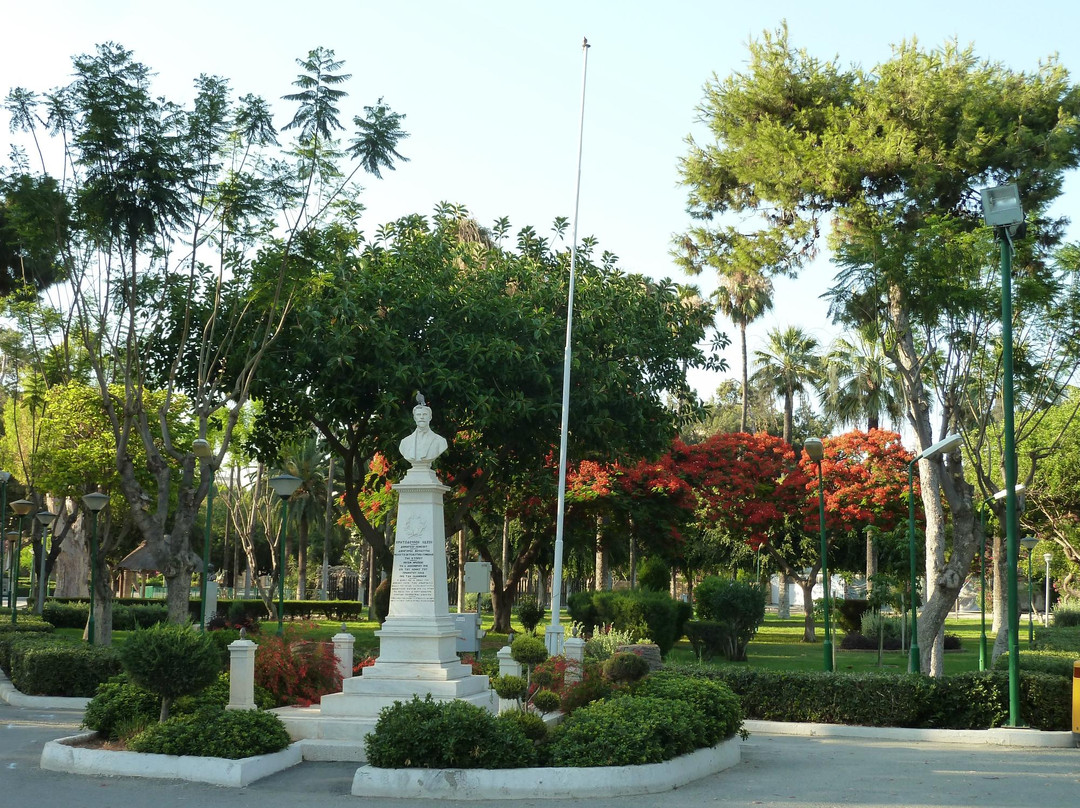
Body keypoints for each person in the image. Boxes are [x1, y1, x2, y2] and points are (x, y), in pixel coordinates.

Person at [398, 397, 448, 465]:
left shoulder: (440, 441)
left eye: (424, 414)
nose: (421, 417)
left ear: (430, 417)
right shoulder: (405, 442)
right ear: (415, 418)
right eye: (418, 415)